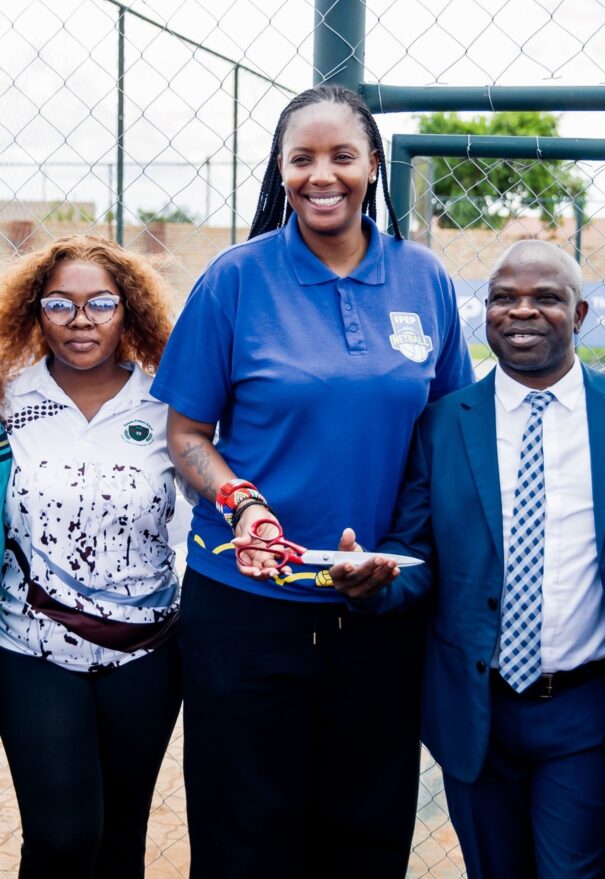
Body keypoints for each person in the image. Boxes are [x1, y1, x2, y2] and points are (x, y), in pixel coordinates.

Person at [150, 85, 475, 878]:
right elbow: (187, 435)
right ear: (281, 169)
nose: (320, 175)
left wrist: (582, 391)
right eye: (302, 158)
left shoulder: (423, 279)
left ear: (373, 166)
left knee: (363, 841)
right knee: (244, 841)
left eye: (341, 156)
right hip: (246, 613)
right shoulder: (236, 278)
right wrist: (243, 503)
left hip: (378, 610)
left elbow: (451, 428)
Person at [332, 239, 605, 879]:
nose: (521, 311)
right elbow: (416, 554)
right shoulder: (442, 424)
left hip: (588, 709)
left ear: (580, 314)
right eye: (503, 299)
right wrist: (375, 583)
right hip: (476, 708)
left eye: (546, 297)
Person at [0, 235, 181, 878]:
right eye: (60, 305)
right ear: (35, 312)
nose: (81, 320)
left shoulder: (167, 405)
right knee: (62, 835)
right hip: (32, 647)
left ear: (128, 311)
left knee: (121, 839)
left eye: (101, 304)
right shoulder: (8, 401)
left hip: (148, 654)